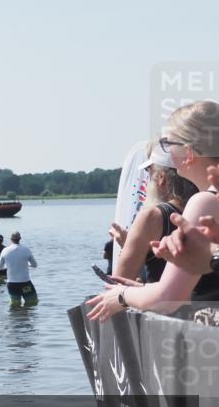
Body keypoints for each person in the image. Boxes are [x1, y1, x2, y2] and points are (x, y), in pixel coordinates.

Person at [87, 101, 219, 323]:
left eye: (168, 143)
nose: (165, 148)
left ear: (188, 153)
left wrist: (121, 296)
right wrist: (145, 289)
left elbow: (168, 299)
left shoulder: (204, 202)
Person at [108, 141, 197, 282]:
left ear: (161, 177)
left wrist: (130, 247)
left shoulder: (152, 217)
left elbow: (119, 283)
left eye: (149, 172)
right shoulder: (209, 206)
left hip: (163, 302)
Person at [0, 231, 38, 307]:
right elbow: (34, 265)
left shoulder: (5, 250)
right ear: (20, 238)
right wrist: (27, 264)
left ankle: (15, 318)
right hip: (25, 284)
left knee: (15, 304)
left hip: (12, 284)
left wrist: (9, 266)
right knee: (32, 302)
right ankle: (25, 317)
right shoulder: (26, 249)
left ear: (10, 239)